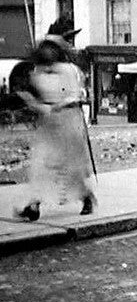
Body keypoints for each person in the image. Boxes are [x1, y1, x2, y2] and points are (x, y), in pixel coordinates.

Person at [14, 35, 98, 221]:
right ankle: (33, 205)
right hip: (48, 124)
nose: (48, 52)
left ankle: (86, 197)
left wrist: (55, 107)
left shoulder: (70, 71)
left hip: (68, 120)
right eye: (45, 48)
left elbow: (75, 94)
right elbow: (36, 97)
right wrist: (34, 103)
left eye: (52, 49)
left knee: (70, 166)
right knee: (42, 164)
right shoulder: (37, 73)